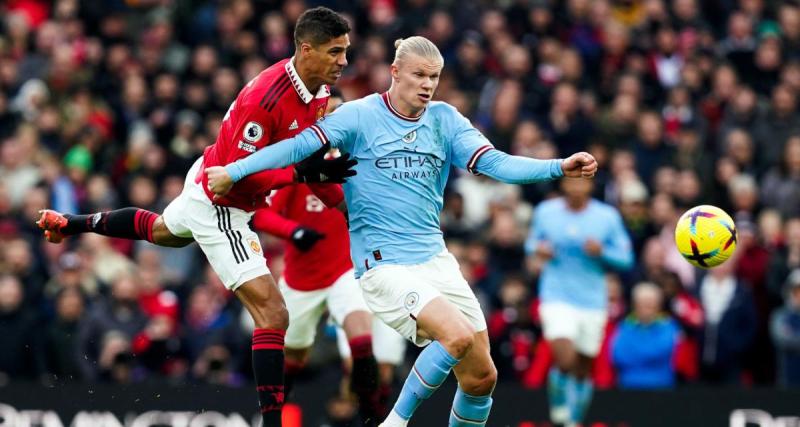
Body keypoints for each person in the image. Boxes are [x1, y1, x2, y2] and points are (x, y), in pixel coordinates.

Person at [205, 36, 597, 427]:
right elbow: (294, 147)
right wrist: (235, 170)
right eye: (419, 75)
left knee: (481, 378)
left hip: (435, 260)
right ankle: (394, 421)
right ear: (395, 72)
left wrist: (557, 166)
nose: (427, 85)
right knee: (455, 337)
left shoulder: (445, 120)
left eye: (434, 77)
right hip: (383, 265)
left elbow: (495, 163)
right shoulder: (357, 116)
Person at [36, 7, 355, 426]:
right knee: (274, 315)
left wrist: (347, 209)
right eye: (335, 52)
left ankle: (70, 223)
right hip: (221, 204)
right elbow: (234, 182)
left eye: (346, 51)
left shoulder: (316, 91)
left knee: (165, 231)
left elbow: (308, 165)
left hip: (205, 172)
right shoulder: (267, 98)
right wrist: (303, 173)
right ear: (306, 49)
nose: (344, 62)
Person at [253, 180, 402, 426]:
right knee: (292, 358)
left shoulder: (351, 161)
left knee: (362, 341)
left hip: (345, 270)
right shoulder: (296, 166)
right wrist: (294, 231)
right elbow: (262, 216)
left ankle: (372, 419)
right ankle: (271, 420)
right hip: (301, 280)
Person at [525, 177, 634, 426]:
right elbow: (531, 243)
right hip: (556, 295)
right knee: (564, 358)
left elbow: (626, 258)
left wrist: (602, 252)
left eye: (581, 183)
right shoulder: (546, 212)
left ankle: (574, 420)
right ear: (563, 185)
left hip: (593, 300)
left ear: (590, 186)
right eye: (571, 182)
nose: (576, 187)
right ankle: (559, 408)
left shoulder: (607, 217)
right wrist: (539, 250)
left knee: (583, 367)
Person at [610, 282, 680, 389]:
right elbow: (619, 356)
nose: (647, 308)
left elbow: (663, 350)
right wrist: (648, 352)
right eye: (643, 303)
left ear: (659, 305)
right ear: (635, 305)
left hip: (661, 388)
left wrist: (635, 349)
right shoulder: (625, 326)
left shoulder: (668, 326)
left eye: (651, 304)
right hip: (628, 388)